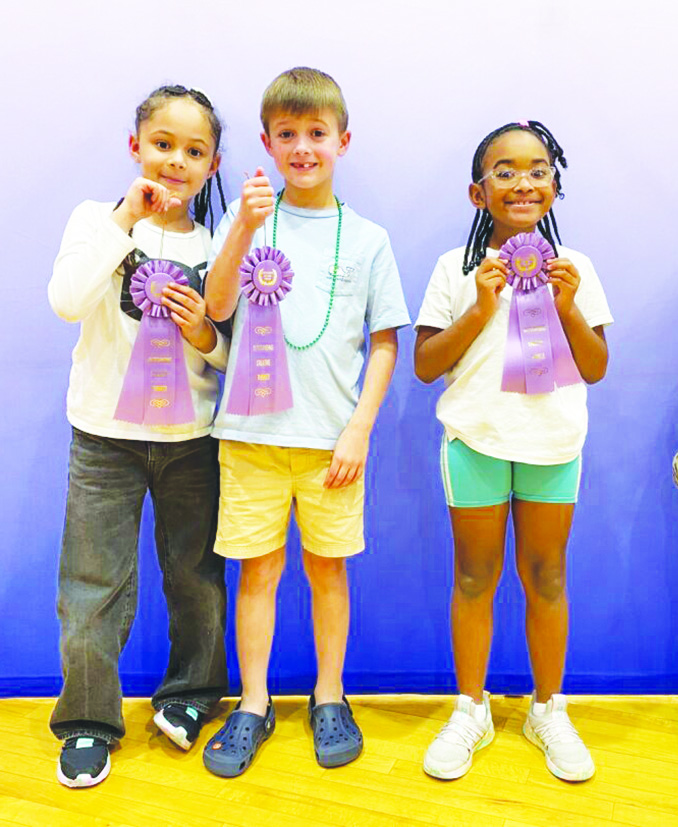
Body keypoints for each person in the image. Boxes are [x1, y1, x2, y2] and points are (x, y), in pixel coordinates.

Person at [201, 66, 409, 777]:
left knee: (328, 574)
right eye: (286, 134)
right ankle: (253, 702)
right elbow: (219, 307)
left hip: (332, 445)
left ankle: (329, 694)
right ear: (266, 142)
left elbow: (386, 341)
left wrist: (360, 427)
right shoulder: (248, 217)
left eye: (316, 133)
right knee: (256, 574)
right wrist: (244, 229)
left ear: (342, 140)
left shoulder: (369, 239)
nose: (302, 147)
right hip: (251, 439)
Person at [414, 121, 612, 782]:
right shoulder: (454, 268)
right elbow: (424, 363)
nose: (522, 181)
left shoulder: (576, 268)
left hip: (554, 444)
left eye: (536, 169)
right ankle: (469, 707)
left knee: (548, 577)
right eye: (504, 170)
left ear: (553, 187)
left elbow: (596, 365)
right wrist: (479, 305)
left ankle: (547, 707)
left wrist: (570, 306)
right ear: (478, 191)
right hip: (475, 442)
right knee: (473, 576)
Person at [47, 85, 230, 788]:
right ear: (136, 148)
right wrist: (127, 216)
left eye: (193, 150)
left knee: (194, 577)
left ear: (211, 165)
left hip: (193, 440)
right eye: (163, 144)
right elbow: (67, 301)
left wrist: (202, 333)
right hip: (103, 439)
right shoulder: (96, 220)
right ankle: (88, 721)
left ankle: (190, 695)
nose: (176, 160)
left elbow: (230, 352)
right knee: (92, 585)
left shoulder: (217, 245)